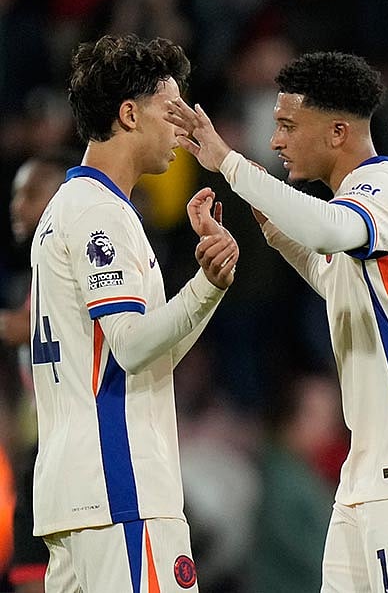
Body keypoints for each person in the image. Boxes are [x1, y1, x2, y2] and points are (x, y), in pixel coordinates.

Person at [164, 51, 388, 592]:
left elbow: (324, 231)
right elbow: (331, 275)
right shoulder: (360, 220)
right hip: (372, 468)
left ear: (338, 131)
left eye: (288, 126)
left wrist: (230, 162)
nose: (276, 141)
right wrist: (272, 228)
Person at [30, 34, 239, 593]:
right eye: (170, 111)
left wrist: (209, 289)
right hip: (119, 490)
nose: (182, 126)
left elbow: (150, 354)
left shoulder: (67, 209)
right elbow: (130, 344)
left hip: (75, 500)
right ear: (129, 114)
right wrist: (204, 286)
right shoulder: (101, 214)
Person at [0, 153, 76, 593]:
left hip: (75, 452)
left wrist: (20, 327)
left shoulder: (74, 262)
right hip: (43, 452)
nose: (17, 205)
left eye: (30, 193)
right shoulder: (36, 272)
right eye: (15, 194)